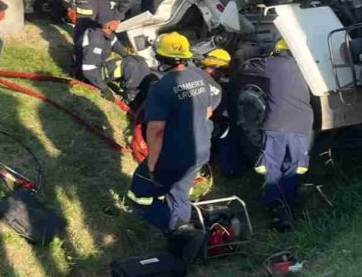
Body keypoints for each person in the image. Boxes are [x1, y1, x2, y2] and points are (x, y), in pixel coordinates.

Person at [126, 32, 222, 262]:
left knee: (138, 195)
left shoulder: (162, 87)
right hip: (200, 150)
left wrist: (152, 164)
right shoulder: (200, 77)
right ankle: (183, 247)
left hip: (174, 155)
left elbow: (156, 130)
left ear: (161, 58)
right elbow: (208, 111)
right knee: (178, 193)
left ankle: (180, 232)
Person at [243, 39, 313, 231]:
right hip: (302, 125)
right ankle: (290, 205)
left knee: (272, 167)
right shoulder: (307, 64)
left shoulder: (271, 64)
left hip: (277, 125)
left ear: (278, 51)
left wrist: (258, 52)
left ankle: (276, 210)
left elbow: (246, 67)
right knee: (294, 167)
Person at [80, 22, 156, 109]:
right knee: (131, 65)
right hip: (92, 74)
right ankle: (130, 101)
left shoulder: (107, 34)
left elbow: (117, 47)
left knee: (138, 62)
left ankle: (141, 96)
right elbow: (89, 70)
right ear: (110, 24)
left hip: (98, 67)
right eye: (117, 21)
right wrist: (104, 89)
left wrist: (131, 56)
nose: (119, 22)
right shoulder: (96, 39)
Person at [198, 49, 240, 177]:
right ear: (215, 67)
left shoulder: (194, 76)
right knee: (227, 133)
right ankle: (228, 169)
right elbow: (219, 112)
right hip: (208, 123)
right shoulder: (217, 87)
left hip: (196, 123)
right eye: (222, 70)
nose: (222, 74)